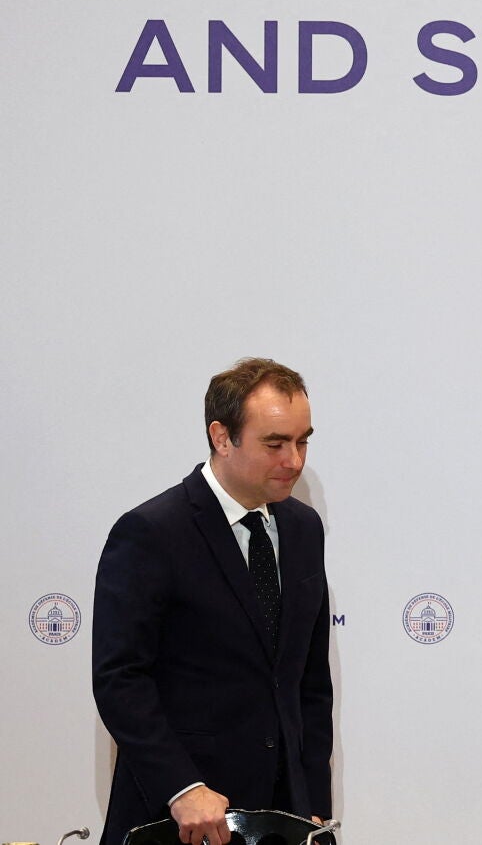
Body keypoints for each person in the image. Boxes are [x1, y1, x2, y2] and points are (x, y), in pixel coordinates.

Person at [93, 359, 333, 845]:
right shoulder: (152, 532)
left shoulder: (304, 528)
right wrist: (182, 788)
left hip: (282, 820)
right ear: (222, 437)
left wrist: (313, 805)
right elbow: (120, 678)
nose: (294, 460)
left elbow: (309, 680)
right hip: (177, 821)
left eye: (302, 441)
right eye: (275, 444)